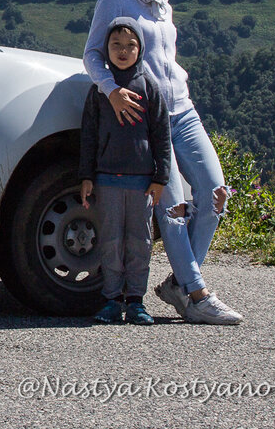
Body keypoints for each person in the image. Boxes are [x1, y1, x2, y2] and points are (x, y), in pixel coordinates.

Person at [83, 0, 243, 325]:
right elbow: (92, 55)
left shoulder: (162, 0)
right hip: (149, 117)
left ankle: (178, 284)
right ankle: (198, 294)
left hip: (183, 109)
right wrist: (111, 91)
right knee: (171, 209)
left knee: (216, 195)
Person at [79, 18, 170, 325]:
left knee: (140, 243)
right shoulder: (100, 91)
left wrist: (161, 178)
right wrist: (87, 176)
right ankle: (111, 300)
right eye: (115, 44)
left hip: (142, 183)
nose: (123, 51)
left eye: (130, 45)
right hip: (107, 180)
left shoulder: (149, 87)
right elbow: (89, 135)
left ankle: (136, 301)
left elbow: (162, 134)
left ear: (140, 49)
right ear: (105, 49)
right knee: (110, 241)